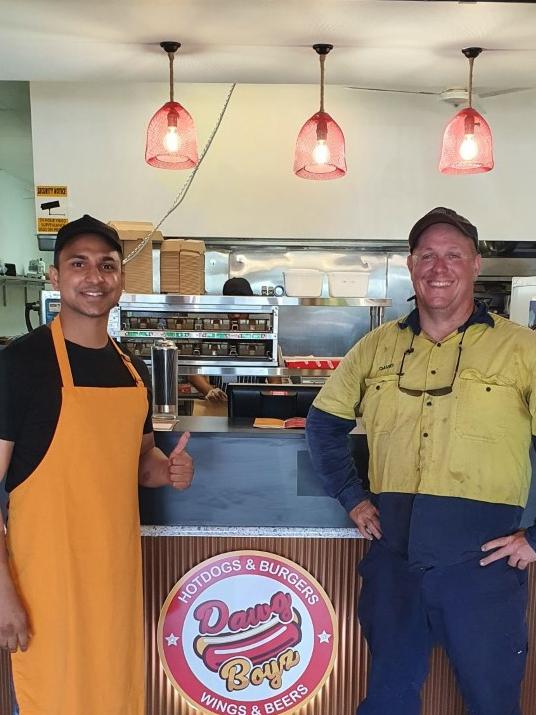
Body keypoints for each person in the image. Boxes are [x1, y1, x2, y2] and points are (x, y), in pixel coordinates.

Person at [306, 206, 536, 715]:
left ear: (476, 264)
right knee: (388, 699)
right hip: (395, 557)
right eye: (428, 255)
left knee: (493, 702)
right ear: (411, 265)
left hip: (483, 562)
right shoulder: (376, 348)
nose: (439, 266)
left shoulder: (523, 350)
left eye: (453, 255)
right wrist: (351, 496)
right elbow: (323, 423)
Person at [0, 215, 194, 715]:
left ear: (121, 280)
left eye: (107, 265)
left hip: (114, 584)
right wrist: (3, 594)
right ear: (55, 277)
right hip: (46, 586)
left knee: (114, 698)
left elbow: (138, 461)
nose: (94, 276)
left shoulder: (129, 367)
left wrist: (167, 471)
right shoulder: (22, 365)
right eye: (79, 263)